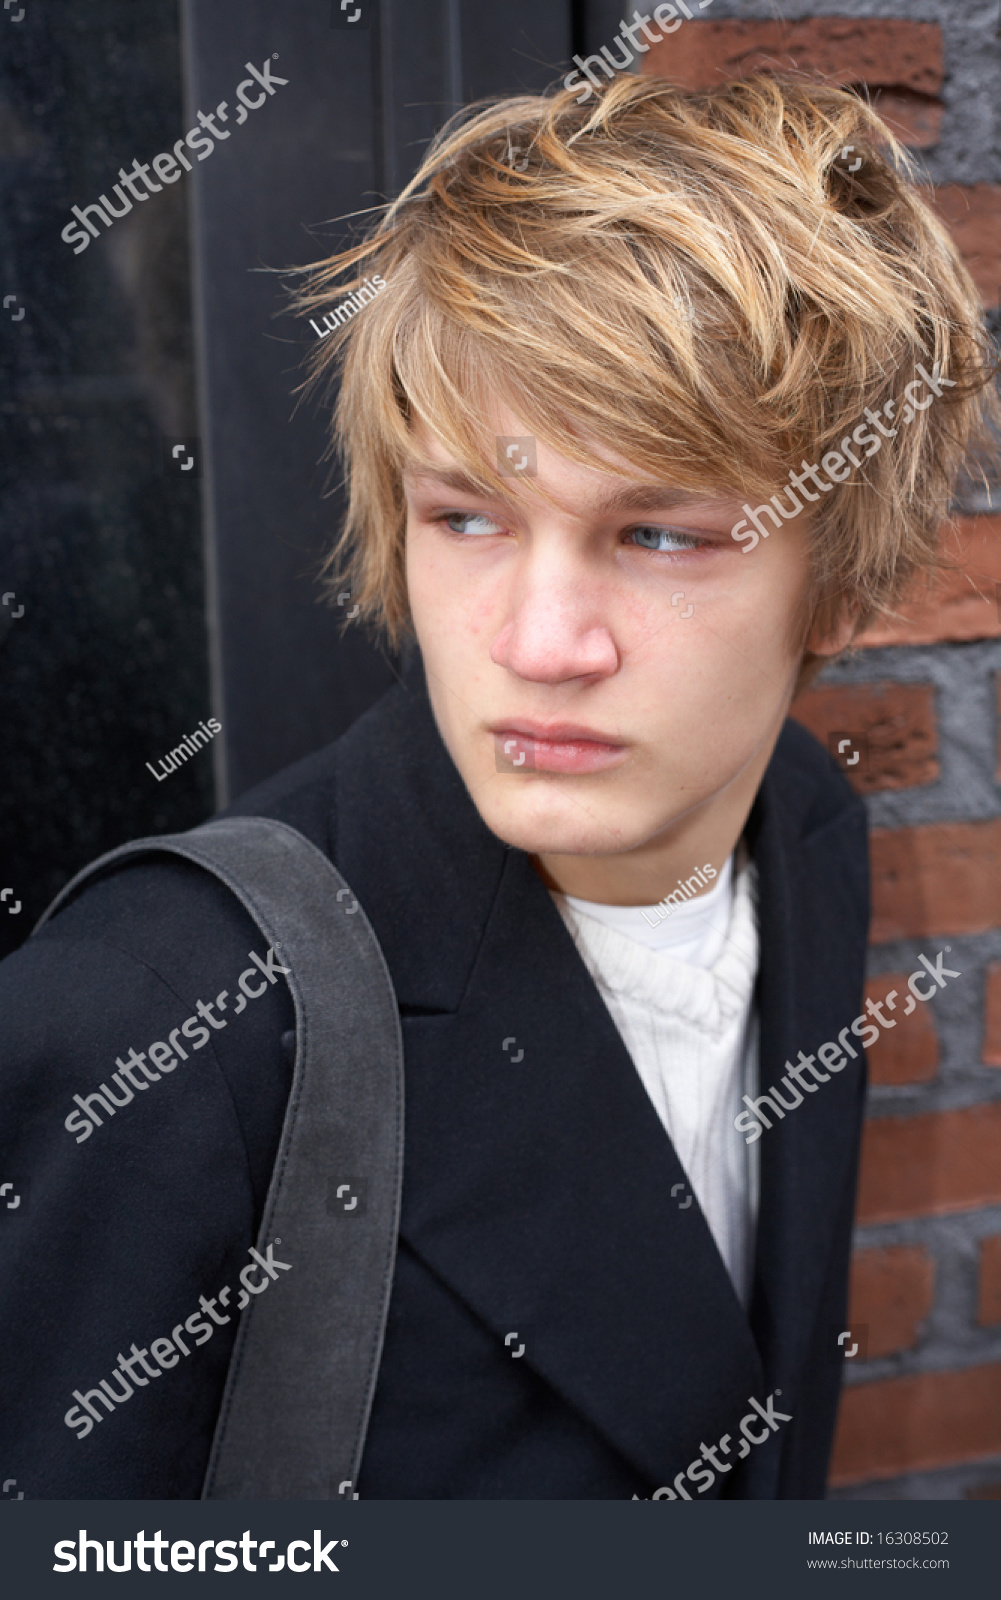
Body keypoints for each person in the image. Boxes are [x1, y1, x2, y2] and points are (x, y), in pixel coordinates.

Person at [0, 72, 993, 1500]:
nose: (536, 645)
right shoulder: (156, 1024)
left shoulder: (801, 825)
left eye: (657, 535)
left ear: (834, 577)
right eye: (464, 514)